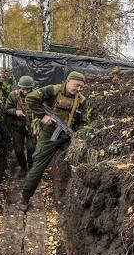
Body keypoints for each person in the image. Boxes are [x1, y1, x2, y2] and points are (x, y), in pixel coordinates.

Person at [20, 71, 89, 212]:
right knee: (38, 166)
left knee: (81, 158)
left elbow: (84, 121)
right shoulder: (53, 90)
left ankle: (73, 194)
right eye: (77, 85)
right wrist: (43, 115)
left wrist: (79, 136)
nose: (78, 89)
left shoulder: (81, 100)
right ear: (68, 81)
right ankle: (25, 197)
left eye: (81, 87)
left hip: (67, 136)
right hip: (49, 134)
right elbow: (31, 99)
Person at [4, 75, 37, 176]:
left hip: (32, 126)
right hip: (17, 126)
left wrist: (36, 121)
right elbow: (6, 109)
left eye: (28, 89)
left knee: (31, 148)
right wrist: (15, 112)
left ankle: (31, 166)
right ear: (20, 87)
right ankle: (23, 167)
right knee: (18, 150)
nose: (26, 91)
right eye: (24, 89)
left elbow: (42, 109)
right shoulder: (13, 95)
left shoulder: (37, 95)